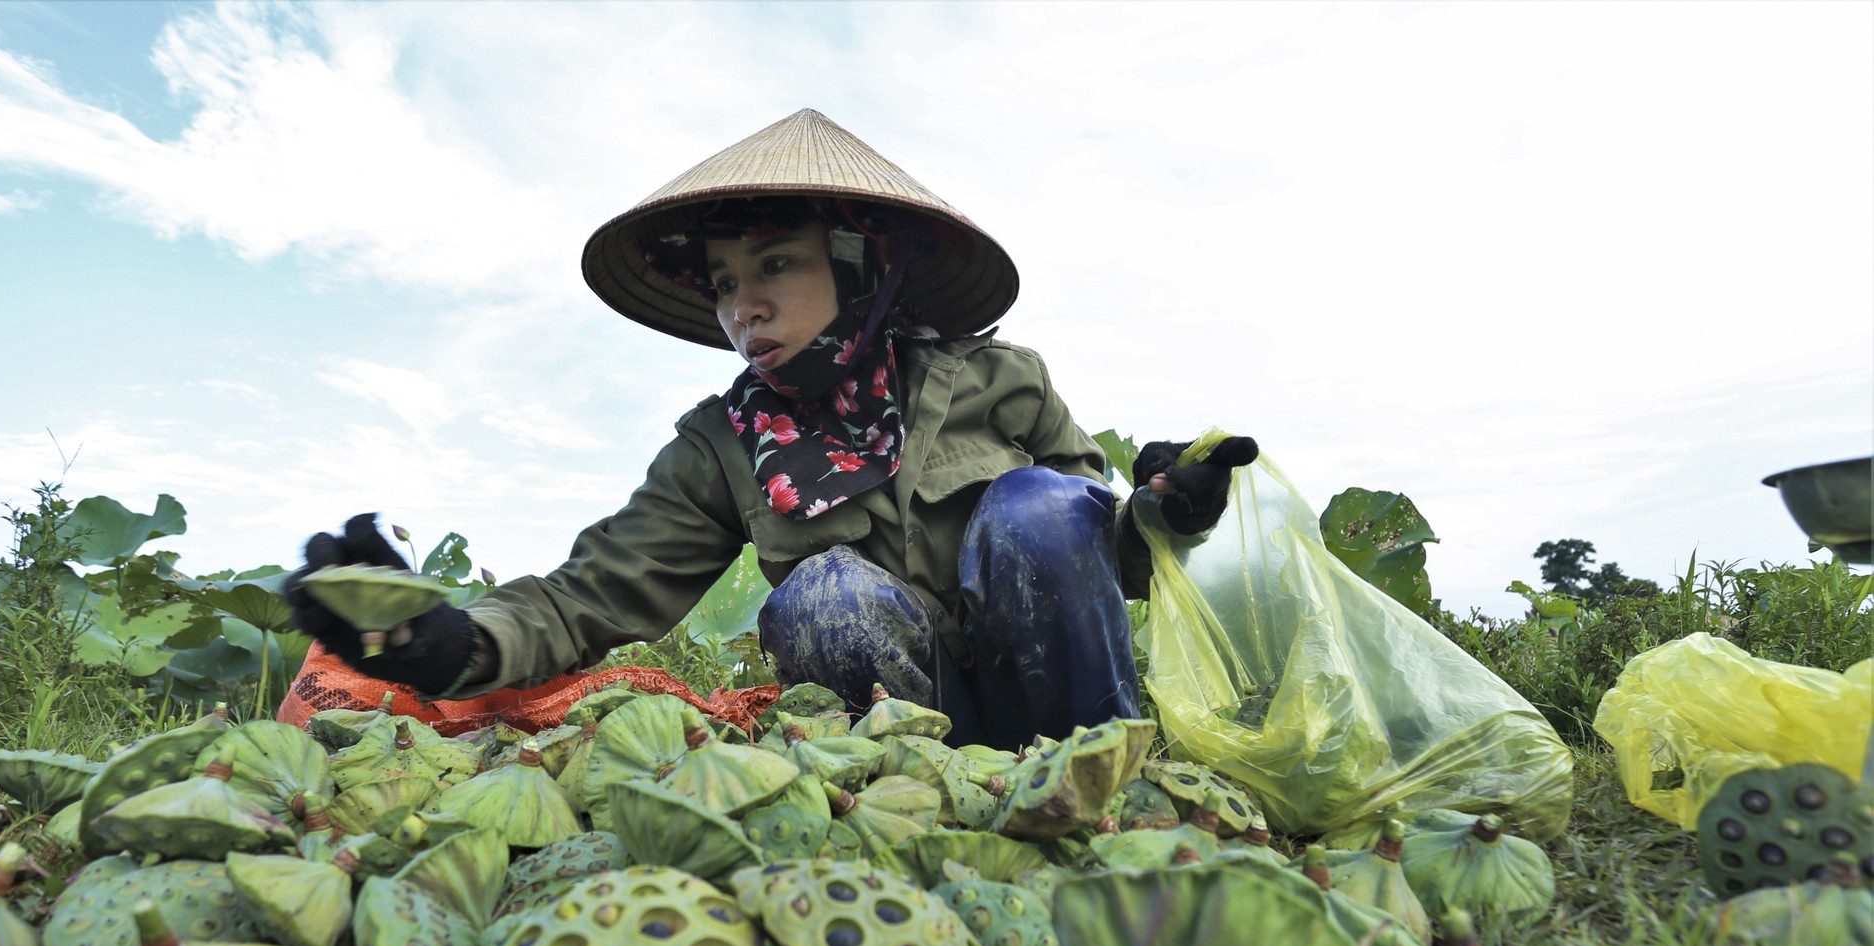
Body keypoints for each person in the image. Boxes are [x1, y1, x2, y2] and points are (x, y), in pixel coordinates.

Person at [286, 109, 1257, 751]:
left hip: (1071, 714)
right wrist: (449, 640)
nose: (740, 309)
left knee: (1043, 505)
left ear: (859, 265)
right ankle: (925, 805)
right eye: (720, 286)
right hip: (913, 748)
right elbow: (592, 597)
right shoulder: (721, 444)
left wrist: (1170, 511)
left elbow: (1116, 561)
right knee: (820, 595)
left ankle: (1113, 785)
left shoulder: (1000, 382)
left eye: (774, 267)